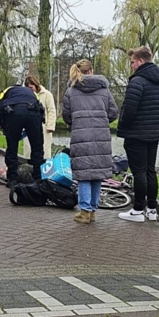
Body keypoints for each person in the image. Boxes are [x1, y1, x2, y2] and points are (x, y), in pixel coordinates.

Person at [62, 60, 119, 224]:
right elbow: (113, 112)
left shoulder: (71, 91)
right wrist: (101, 121)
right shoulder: (104, 90)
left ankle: (84, 211)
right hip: (101, 135)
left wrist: (78, 122)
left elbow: (66, 115)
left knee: (84, 175)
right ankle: (93, 211)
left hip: (80, 136)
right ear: (92, 71)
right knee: (97, 175)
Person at [116, 45, 159, 223]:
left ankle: (137, 210)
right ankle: (152, 210)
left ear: (140, 61)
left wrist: (122, 127)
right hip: (153, 133)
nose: (131, 66)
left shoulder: (137, 81)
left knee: (139, 172)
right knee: (150, 171)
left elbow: (129, 110)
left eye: (132, 62)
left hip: (136, 134)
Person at [0, 84, 45, 187]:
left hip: (14, 113)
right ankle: (38, 179)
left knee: (12, 148)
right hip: (33, 113)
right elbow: (40, 108)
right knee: (37, 147)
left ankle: (12, 179)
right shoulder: (32, 93)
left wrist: (6, 129)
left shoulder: (5, 91)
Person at [24, 75, 57, 159]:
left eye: (31, 87)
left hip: (43, 127)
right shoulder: (26, 96)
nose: (30, 90)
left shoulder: (47, 94)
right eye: (28, 88)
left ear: (35, 85)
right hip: (29, 126)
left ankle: (44, 167)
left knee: (44, 151)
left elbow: (51, 111)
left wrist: (50, 126)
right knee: (29, 150)